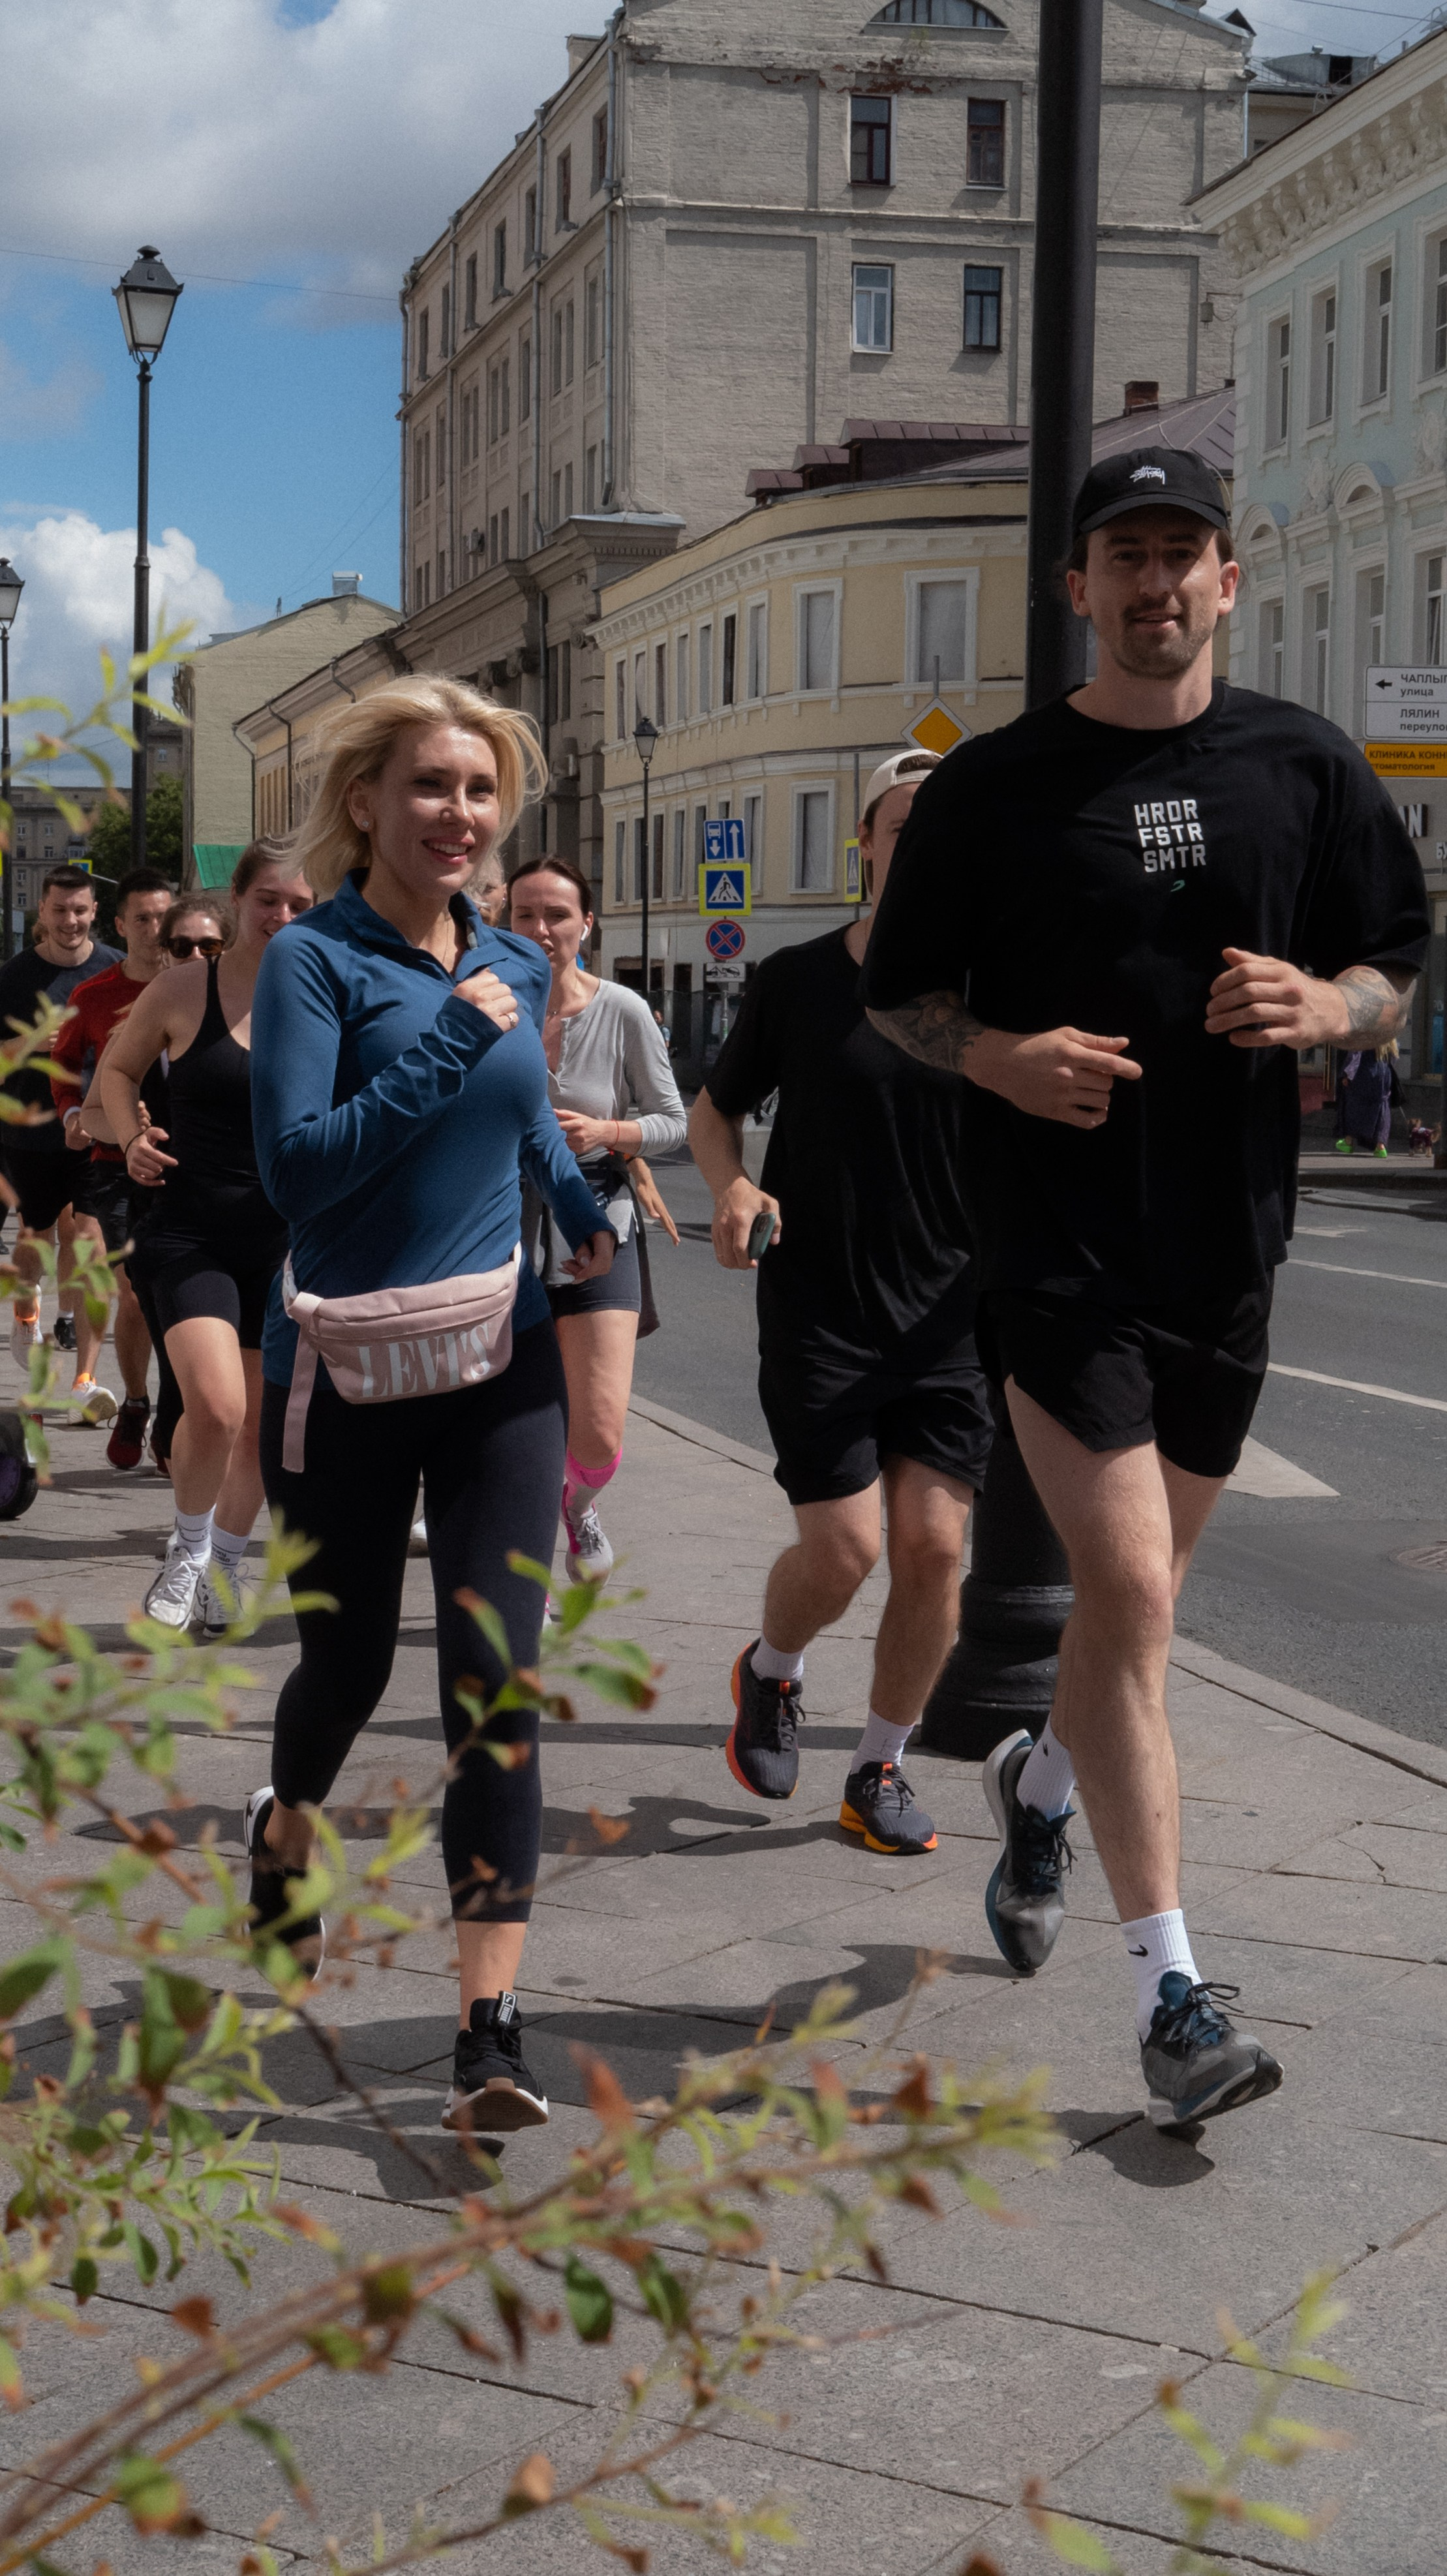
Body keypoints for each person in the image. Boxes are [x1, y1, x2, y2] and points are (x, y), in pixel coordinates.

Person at [861, 445, 1429, 2128]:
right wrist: (1001, 1056)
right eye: (1123, 554)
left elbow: (1390, 967)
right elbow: (900, 997)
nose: (1152, 580)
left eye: (1181, 552)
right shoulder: (994, 787)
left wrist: (1327, 1010)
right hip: (1056, 1251)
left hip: (1224, 1246)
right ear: (1077, 589)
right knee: (1128, 1593)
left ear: (1224, 582)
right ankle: (1169, 1998)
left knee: (1131, 1613)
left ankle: (1039, 1784)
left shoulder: (1300, 765)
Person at [247, 678, 614, 2135]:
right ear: (364, 802)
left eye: (478, 789)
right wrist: (450, 1040)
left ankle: (487, 2031)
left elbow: (520, 1118)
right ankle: (285, 1829)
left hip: (498, 1361)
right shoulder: (312, 961)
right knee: (342, 1672)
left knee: (494, 1684)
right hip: (341, 1372)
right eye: (428, 785)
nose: (457, 813)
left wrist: (579, 1210)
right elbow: (298, 1174)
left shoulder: (511, 955)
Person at [689, 750, 992, 1856]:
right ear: (864, 845)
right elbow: (713, 1112)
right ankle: (771, 1670)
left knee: (934, 1551)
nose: (923, 845)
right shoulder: (800, 980)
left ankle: (877, 1766)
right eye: (901, 825)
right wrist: (731, 1188)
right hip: (821, 1307)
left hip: (952, 1318)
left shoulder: (1000, 992)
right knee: (845, 1549)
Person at [100, 846, 313, 1632]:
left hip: (287, 1243)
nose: (282, 917)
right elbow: (116, 1073)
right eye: (268, 900)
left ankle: (225, 1559)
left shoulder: (329, 995)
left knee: (257, 1429)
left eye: (300, 904)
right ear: (237, 902)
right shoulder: (187, 987)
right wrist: (131, 1140)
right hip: (190, 1233)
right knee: (217, 1409)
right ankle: (188, 1549)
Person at [508, 857, 686, 1584]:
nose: (541, 930)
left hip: (597, 1216)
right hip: (501, 1222)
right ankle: (524, 1583)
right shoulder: (485, 1004)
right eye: (524, 914)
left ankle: (576, 1504)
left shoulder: (623, 1009)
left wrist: (608, 1132)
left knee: (601, 1429)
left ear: (587, 924)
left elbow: (673, 1121)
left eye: (557, 915)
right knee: (515, 1422)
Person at [49, 868, 174, 1463]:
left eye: (163, 917)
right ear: (120, 925)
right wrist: (75, 1115)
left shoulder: (205, 988)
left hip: (189, 1159)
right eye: (142, 919)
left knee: (174, 1290)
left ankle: (176, 1411)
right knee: (133, 1290)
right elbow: (64, 1070)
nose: (155, 929)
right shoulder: (94, 995)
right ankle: (138, 1400)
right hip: (114, 1163)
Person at [0, 865, 121, 1410]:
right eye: (59, 910)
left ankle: (85, 1380)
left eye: (80, 910)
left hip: (98, 1130)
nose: (70, 921)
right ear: (42, 912)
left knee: (90, 1240)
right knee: (37, 1238)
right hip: (30, 1135)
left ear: (95, 911)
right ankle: (28, 1310)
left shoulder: (115, 970)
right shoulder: (14, 977)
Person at [1333, 1040, 1401, 1158]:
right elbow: (1394, 1055)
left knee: (1353, 1105)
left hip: (1364, 1072)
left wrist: (1347, 1074)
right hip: (1384, 1074)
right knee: (1381, 1108)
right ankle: (1381, 1147)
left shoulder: (1367, 1034)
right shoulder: (1390, 1036)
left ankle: (1348, 1142)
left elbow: (1355, 1054)